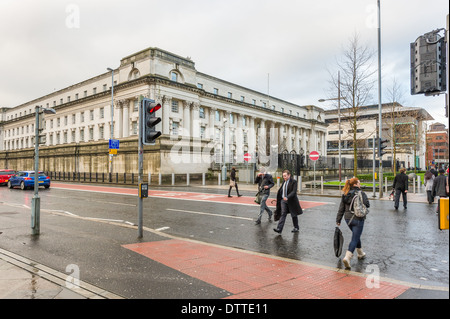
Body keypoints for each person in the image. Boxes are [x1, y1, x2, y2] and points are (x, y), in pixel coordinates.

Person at [336, 177, 370, 269]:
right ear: (355, 184)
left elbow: (341, 208)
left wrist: (338, 220)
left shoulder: (345, 194)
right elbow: (367, 204)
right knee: (355, 238)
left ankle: (360, 253)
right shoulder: (361, 193)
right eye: (359, 183)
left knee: (356, 234)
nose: (360, 184)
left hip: (348, 219)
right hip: (358, 218)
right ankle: (347, 257)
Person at [273, 170, 303, 234]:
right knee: (283, 213)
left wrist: (287, 197)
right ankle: (279, 229)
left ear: (289, 175)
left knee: (293, 214)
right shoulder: (284, 181)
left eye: (285, 176)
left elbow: (294, 192)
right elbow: (282, 190)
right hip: (283, 201)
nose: (284, 177)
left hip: (291, 201)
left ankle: (296, 227)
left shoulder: (294, 182)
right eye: (283, 176)